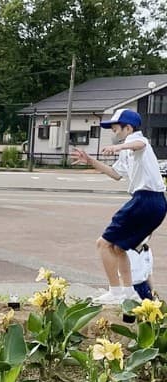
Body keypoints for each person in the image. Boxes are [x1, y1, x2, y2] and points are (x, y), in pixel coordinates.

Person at [72, 107, 167, 305]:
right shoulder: (127, 150)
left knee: (103, 243)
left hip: (146, 200)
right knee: (118, 247)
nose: (114, 134)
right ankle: (128, 291)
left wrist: (118, 148)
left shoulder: (139, 141)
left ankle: (115, 293)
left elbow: (139, 144)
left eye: (116, 129)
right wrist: (91, 161)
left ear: (128, 128)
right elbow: (116, 174)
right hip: (151, 203)